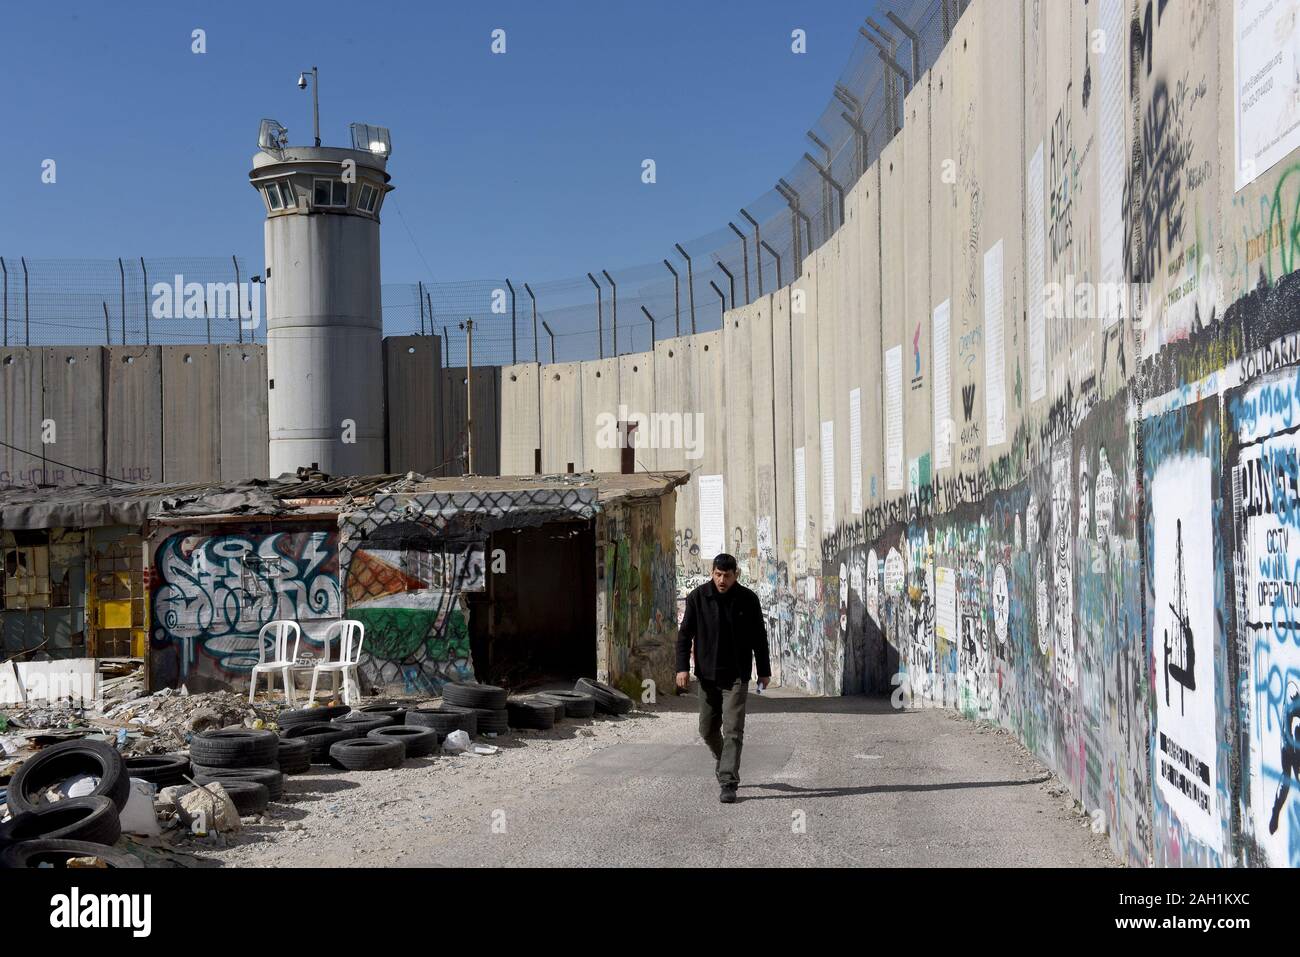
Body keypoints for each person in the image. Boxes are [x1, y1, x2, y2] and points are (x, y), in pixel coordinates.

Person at [675, 553, 771, 803]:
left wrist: (764, 671)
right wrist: (681, 668)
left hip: (737, 675)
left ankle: (728, 781)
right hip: (707, 675)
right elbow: (685, 636)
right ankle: (724, 760)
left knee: (733, 729)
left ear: (735, 575)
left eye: (727, 576)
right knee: (707, 729)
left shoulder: (748, 600)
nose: (722, 580)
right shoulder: (698, 598)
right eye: (718, 575)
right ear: (712, 572)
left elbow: (759, 638)